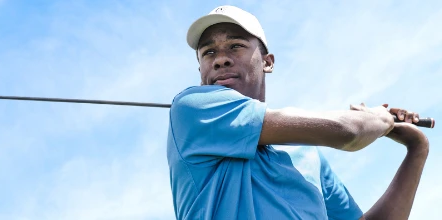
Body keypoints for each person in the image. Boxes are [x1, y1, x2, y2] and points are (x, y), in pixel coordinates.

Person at [168, 5, 428, 220]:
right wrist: (377, 118)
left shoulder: (308, 153)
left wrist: (417, 149)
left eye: (236, 46)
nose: (220, 59)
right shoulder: (192, 109)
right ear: (201, 69)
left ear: (267, 62)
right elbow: (348, 132)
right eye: (208, 52)